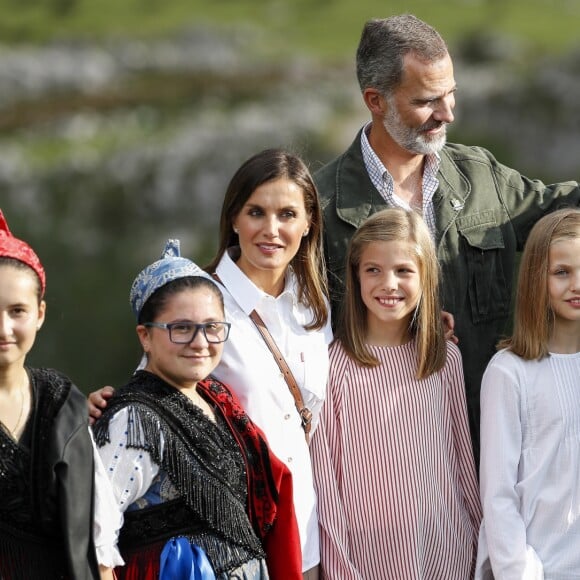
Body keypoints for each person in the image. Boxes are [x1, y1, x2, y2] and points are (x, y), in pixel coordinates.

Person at [313, 13, 580, 456]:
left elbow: (558, 207)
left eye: (451, 94)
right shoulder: (319, 207)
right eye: (427, 100)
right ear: (376, 100)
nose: (447, 113)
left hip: (491, 440)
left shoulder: (480, 173)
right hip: (387, 453)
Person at [90, 149, 332, 579]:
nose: (271, 229)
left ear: (309, 222)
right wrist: (101, 409)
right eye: (256, 211)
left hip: (312, 528)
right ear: (234, 218)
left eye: (288, 214)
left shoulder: (317, 305)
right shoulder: (199, 302)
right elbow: (150, 399)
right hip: (225, 540)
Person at [93, 239, 301, 579]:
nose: (201, 342)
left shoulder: (216, 398)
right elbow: (95, 531)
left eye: (212, 327)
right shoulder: (133, 419)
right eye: (182, 328)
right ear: (145, 336)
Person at [310, 208, 482, 579]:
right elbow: (327, 484)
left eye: (404, 270)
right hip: (369, 559)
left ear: (425, 277)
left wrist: (480, 548)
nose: (389, 283)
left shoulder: (444, 360)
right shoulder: (332, 368)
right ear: (356, 275)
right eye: (374, 269)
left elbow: (462, 466)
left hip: (446, 551)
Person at [475, 208, 580, 579]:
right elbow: (499, 495)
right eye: (562, 272)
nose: (576, 285)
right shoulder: (509, 371)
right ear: (538, 277)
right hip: (539, 569)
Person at [0, 209, 101, 579]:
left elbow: (91, 528)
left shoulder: (61, 401)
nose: (4, 328)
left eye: (17, 311)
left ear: (40, 314)